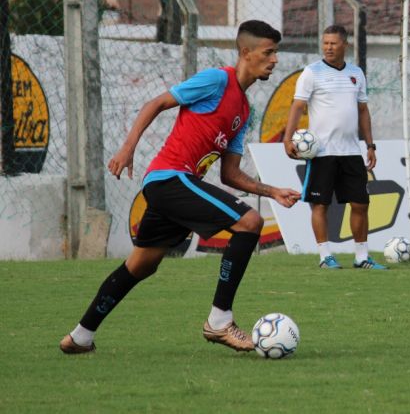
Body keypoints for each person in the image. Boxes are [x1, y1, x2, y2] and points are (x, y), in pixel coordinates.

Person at [59, 20, 301, 355]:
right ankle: (219, 321)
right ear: (246, 52)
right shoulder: (217, 80)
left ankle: (80, 335)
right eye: (269, 52)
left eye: (276, 52)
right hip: (170, 178)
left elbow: (230, 175)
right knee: (249, 223)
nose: (275, 59)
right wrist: (128, 147)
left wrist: (272, 191)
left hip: (177, 188)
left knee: (141, 265)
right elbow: (155, 104)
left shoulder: (244, 111)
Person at [283, 24, 385, 270]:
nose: (328, 47)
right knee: (320, 205)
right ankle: (325, 256)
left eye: (333, 43)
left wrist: (370, 144)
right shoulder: (312, 72)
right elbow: (297, 107)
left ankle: (362, 257)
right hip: (322, 153)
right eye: (325, 43)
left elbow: (363, 110)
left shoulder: (356, 73)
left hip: (351, 152)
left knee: (361, 204)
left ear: (344, 45)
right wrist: (287, 139)